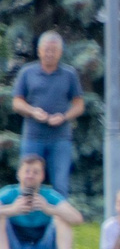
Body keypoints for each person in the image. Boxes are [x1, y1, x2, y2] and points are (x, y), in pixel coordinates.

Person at [10, 30, 82, 198]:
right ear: (39, 51)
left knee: (60, 185)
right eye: (46, 50)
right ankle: (27, 214)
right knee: (28, 183)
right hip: (33, 137)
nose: (50, 54)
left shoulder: (69, 74)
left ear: (60, 52)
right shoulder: (27, 72)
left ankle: (57, 216)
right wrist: (33, 111)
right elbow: (17, 102)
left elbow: (79, 105)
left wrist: (64, 117)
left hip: (60, 138)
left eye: (53, 50)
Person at [0, 152, 76, 249]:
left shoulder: (49, 195)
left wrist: (48, 209)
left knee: (62, 216)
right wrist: (12, 209)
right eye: (27, 171)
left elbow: (77, 218)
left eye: (35, 172)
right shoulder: (9, 193)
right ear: (19, 173)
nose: (30, 175)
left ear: (42, 176)